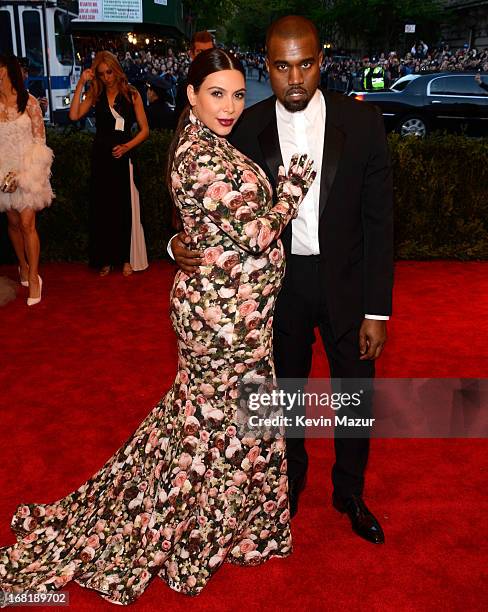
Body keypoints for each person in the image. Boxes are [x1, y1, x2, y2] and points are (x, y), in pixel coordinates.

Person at [0, 48, 316, 603]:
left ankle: (246, 530)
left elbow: (202, 222)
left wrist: (176, 243)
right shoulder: (199, 154)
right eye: (216, 93)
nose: (230, 106)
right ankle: (196, 540)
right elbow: (255, 233)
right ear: (191, 95)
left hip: (238, 315)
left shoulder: (209, 144)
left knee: (229, 421)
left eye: (239, 94)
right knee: (219, 428)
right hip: (221, 322)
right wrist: (290, 190)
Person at [171, 15, 394, 544]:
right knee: (283, 394)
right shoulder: (241, 125)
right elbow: (197, 197)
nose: (295, 77)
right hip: (274, 291)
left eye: (306, 64)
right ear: (265, 65)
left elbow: (380, 221)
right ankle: (287, 483)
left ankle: (350, 491)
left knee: (353, 397)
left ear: (322, 59)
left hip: (347, 284)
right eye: (281, 66)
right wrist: (174, 243)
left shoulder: (362, 124)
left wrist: (377, 310)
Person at [69, 51, 149, 277]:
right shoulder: (95, 94)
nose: (107, 77)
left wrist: (127, 146)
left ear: (117, 69)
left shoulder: (131, 94)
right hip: (101, 157)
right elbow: (74, 115)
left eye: (110, 72)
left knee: (123, 207)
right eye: (102, 74)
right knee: (103, 209)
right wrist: (81, 84)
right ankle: (105, 258)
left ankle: (125, 258)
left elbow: (145, 130)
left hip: (123, 158)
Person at [0, 54, 53, 306]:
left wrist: (26, 174)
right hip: (3, 172)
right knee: (13, 222)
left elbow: (40, 141)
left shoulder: (29, 101)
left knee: (27, 222)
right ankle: (22, 265)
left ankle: (33, 276)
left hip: (28, 170)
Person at [174, 31, 215, 120]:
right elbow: (178, 120)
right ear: (191, 54)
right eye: (200, 52)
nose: (205, 56)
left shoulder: (223, 81)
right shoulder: (184, 86)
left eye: (209, 51)